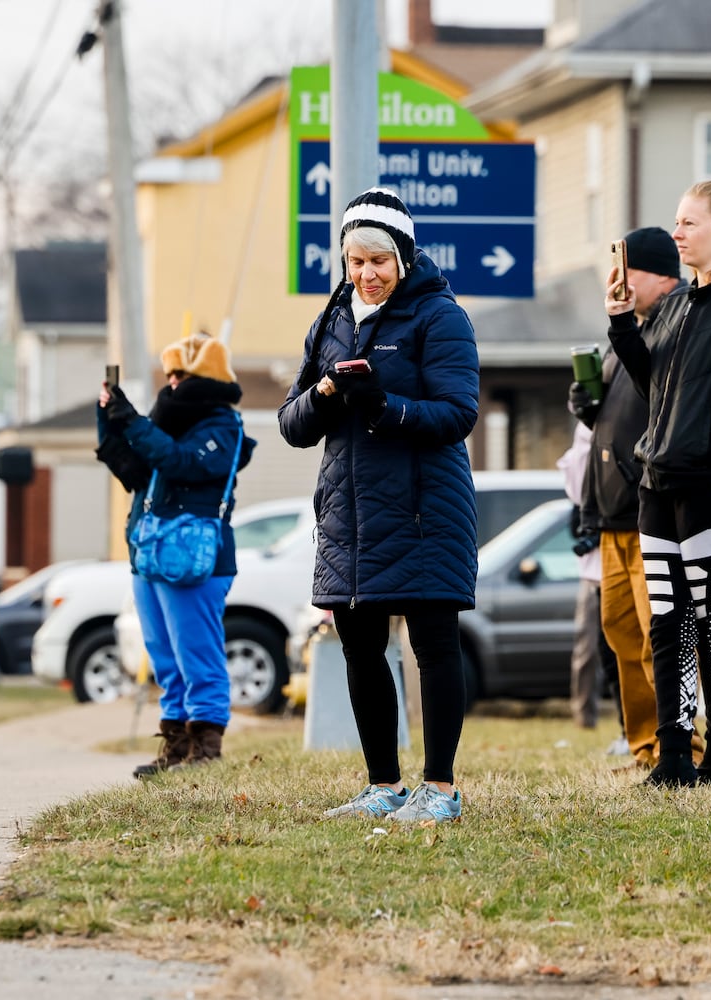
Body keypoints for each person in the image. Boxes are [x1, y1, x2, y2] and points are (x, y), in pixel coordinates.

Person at [278, 187, 479, 823]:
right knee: (359, 647)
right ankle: (383, 786)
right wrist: (331, 393)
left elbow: (458, 413)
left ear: (405, 258)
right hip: (349, 516)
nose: (367, 275)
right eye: (355, 261)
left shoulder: (441, 317)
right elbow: (291, 421)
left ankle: (440, 790)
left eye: (379, 262)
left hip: (425, 508)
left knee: (434, 646)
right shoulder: (331, 319)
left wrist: (384, 407)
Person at [605, 182, 711, 788]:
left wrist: (710, 447)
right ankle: (674, 754)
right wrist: (623, 324)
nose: (676, 234)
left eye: (687, 223)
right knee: (667, 618)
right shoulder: (675, 305)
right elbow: (653, 384)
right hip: (658, 484)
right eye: (676, 224)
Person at [570, 226, 703, 770]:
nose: (618, 281)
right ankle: (646, 744)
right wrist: (586, 404)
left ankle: (686, 745)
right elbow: (613, 416)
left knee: (659, 634)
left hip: (648, 509)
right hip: (611, 515)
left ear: (659, 274)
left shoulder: (672, 327)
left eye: (629, 270)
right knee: (622, 632)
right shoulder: (625, 333)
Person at [95, 332, 256, 778]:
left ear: (207, 376)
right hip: (150, 554)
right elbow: (132, 466)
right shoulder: (162, 423)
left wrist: (137, 424)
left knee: (196, 652)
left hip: (198, 562)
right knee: (164, 654)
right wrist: (111, 418)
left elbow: (182, 462)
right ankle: (176, 745)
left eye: (181, 375)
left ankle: (206, 746)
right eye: (168, 375)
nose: (172, 384)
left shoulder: (224, 428)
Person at [557, 422, 610, 731]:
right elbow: (575, 498)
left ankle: (630, 724)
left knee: (630, 649)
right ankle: (584, 718)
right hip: (593, 573)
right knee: (587, 650)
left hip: (627, 563)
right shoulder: (585, 434)